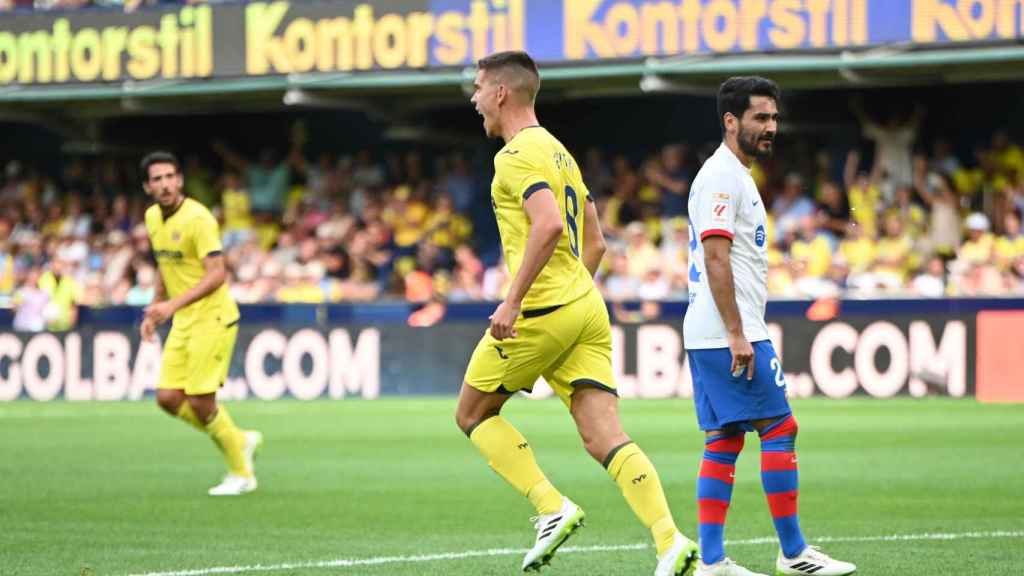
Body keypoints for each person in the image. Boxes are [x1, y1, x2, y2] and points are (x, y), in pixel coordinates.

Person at [456, 51, 699, 576]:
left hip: (542, 307)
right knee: (605, 437)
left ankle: (551, 507)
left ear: (501, 93)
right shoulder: (560, 153)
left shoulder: (515, 155)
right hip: (585, 306)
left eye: (478, 88)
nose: (474, 99)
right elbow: (597, 240)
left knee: (472, 413)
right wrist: (573, 299)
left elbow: (546, 226)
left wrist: (514, 300)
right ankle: (670, 541)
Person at [684, 77, 857, 576]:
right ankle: (794, 553)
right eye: (760, 118)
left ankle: (713, 561)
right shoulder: (722, 176)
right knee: (780, 426)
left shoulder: (734, 175)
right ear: (730, 121)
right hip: (727, 330)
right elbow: (716, 257)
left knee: (724, 439)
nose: (771, 127)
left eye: (775, 118)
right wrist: (739, 334)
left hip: (711, 328)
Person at [139, 151, 263, 496]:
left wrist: (171, 306)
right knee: (166, 398)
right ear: (147, 186)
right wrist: (155, 307)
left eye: (170, 177)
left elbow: (218, 275)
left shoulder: (198, 219)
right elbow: (165, 266)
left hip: (213, 316)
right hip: (183, 319)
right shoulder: (152, 218)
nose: (164, 185)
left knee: (200, 401)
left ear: (179, 180)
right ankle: (238, 440)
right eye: (157, 179)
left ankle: (242, 473)